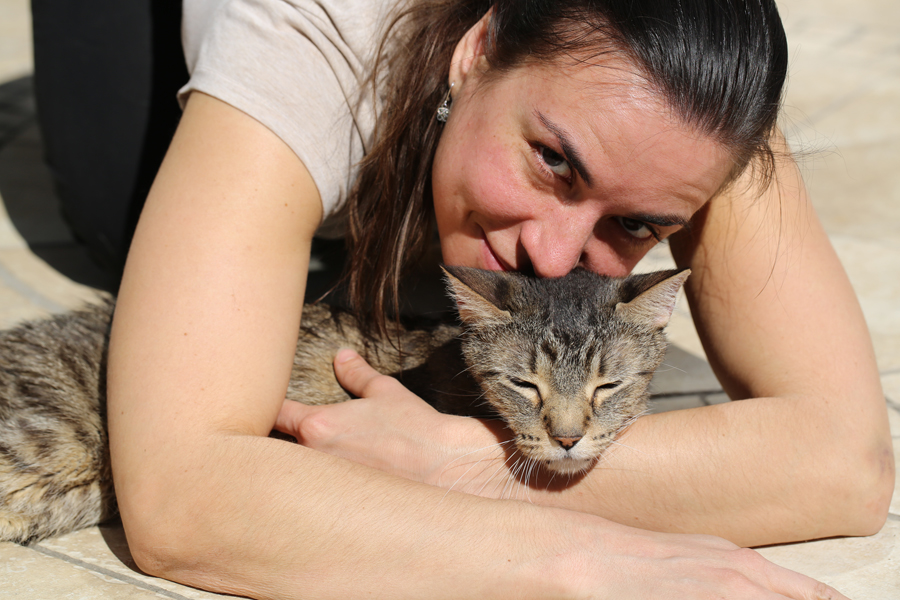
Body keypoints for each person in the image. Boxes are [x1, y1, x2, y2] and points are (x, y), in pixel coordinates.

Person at [106, 0, 894, 598]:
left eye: (639, 222)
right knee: (109, 204)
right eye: (553, 160)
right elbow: (179, 496)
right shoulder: (312, 36)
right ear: (476, 52)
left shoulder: (683, 107)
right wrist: (569, 560)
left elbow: (846, 462)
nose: (552, 258)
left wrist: (466, 469)